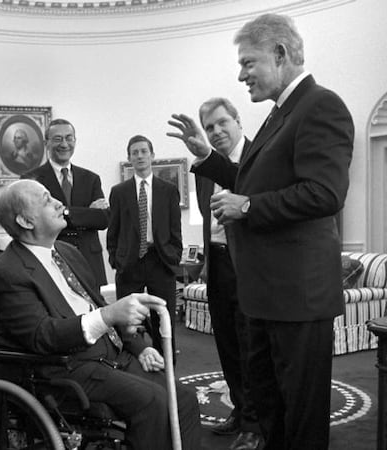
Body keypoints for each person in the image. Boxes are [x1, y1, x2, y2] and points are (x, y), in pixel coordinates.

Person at [168, 13, 354, 449]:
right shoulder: (278, 115)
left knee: (301, 422)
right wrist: (207, 157)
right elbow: (253, 182)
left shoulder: (320, 105)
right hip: (267, 297)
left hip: (298, 298)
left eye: (248, 63)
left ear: (281, 53)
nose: (241, 74)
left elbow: (324, 193)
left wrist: (247, 206)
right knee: (271, 414)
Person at [0, 179, 203, 450]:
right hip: (66, 368)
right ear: (26, 221)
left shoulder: (68, 253)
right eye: (46, 200)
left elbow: (95, 306)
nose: (59, 203)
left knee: (184, 398)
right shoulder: (7, 272)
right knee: (154, 401)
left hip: (112, 355)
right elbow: (43, 336)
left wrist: (139, 347)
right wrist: (110, 316)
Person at [192, 98, 262, 450]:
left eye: (222, 123)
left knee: (251, 345)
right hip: (218, 264)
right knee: (227, 343)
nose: (216, 132)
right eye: (209, 128)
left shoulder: (257, 159)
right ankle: (238, 410)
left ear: (238, 121)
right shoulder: (205, 171)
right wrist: (206, 259)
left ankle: (254, 424)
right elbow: (209, 221)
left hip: (248, 265)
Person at [107, 135, 182, 358]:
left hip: (160, 260)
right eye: (135, 152)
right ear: (129, 157)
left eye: (143, 151)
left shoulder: (167, 189)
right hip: (130, 263)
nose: (139, 156)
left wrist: (174, 256)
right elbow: (114, 230)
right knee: (129, 324)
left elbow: (175, 228)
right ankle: (134, 367)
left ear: (152, 155)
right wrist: (115, 259)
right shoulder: (119, 192)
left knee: (164, 321)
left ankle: (167, 370)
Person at [23, 118, 110, 285]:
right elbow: (39, 219)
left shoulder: (91, 179)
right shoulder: (32, 180)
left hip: (89, 260)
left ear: (75, 141)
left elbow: (102, 219)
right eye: (57, 139)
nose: (64, 144)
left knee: (96, 309)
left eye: (69, 138)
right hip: (52, 259)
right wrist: (84, 213)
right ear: (46, 143)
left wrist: (61, 212)